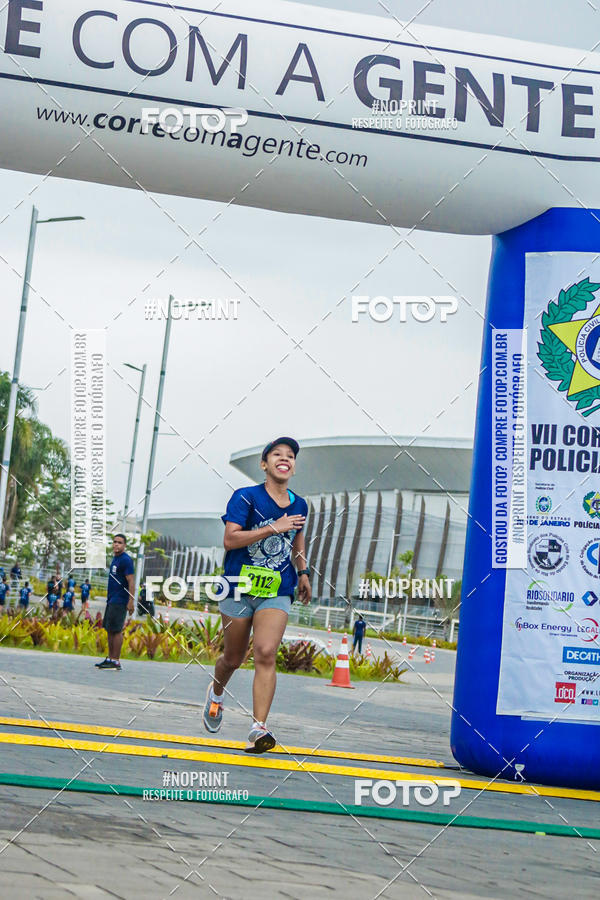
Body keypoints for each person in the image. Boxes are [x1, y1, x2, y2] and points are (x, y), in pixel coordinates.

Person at [204, 437, 311, 753]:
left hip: (277, 588)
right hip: (238, 587)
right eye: (277, 454)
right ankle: (217, 693)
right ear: (264, 465)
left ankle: (258, 727)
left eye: (290, 456)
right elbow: (230, 540)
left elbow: (297, 539)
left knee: (265, 652)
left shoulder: (300, 504)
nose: (284, 458)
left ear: (293, 466)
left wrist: (302, 572)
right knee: (233, 657)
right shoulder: (245, 498)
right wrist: (272, 528)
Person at [95, 534, 134, 670]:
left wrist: (131, 601)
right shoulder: (115, 559)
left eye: (120, 542)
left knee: (116, 630)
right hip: (111, 599)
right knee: (110, 629)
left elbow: (131, 581)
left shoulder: (125, 560)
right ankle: (110, 658)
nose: (116, 544)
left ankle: (116, 661)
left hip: (120, 600)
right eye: (115, 542)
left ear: (124, 545)